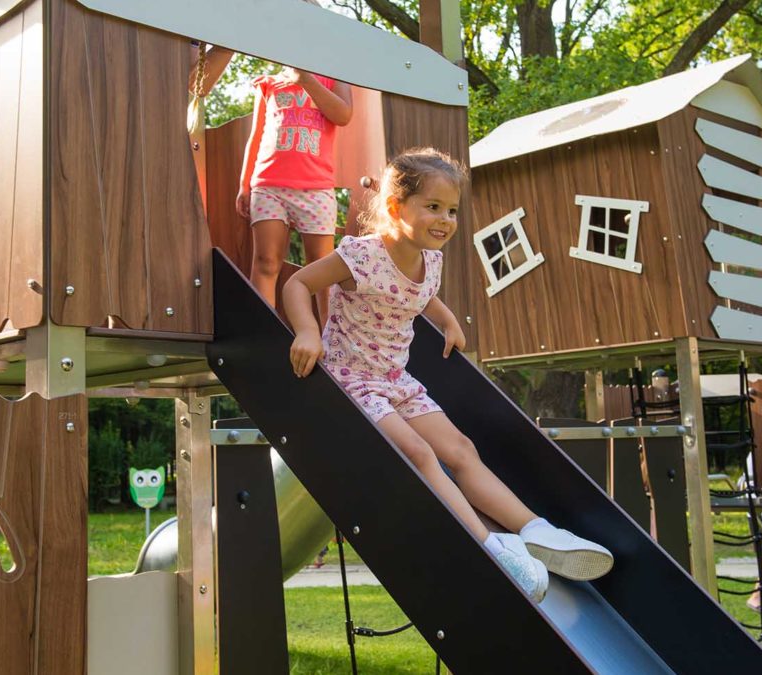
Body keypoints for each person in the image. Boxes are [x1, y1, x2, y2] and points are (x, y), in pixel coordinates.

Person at [282, 149, 613, 602]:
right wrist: (306, 332)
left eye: (452, 210)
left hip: (396, 380)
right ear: (396, 209)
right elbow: (297, 283)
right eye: (433, 207)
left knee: (462, 449)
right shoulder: (361, 255)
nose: (445, 219)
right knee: (419, 453)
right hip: (351, 379)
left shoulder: (430, 260)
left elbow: (420, 295)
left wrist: (449, 319)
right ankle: (491, 548)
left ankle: (537, 531)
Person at [237, 63, 352, 318]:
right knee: (266, 261)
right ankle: (263, 332)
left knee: (321, 267)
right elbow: (256, 135)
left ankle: (330, 342)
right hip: (268, 185)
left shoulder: (333, 77)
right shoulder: (269, 83)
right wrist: (244, 184)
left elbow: (343, 115)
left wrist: (305, 80)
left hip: (316, 188)